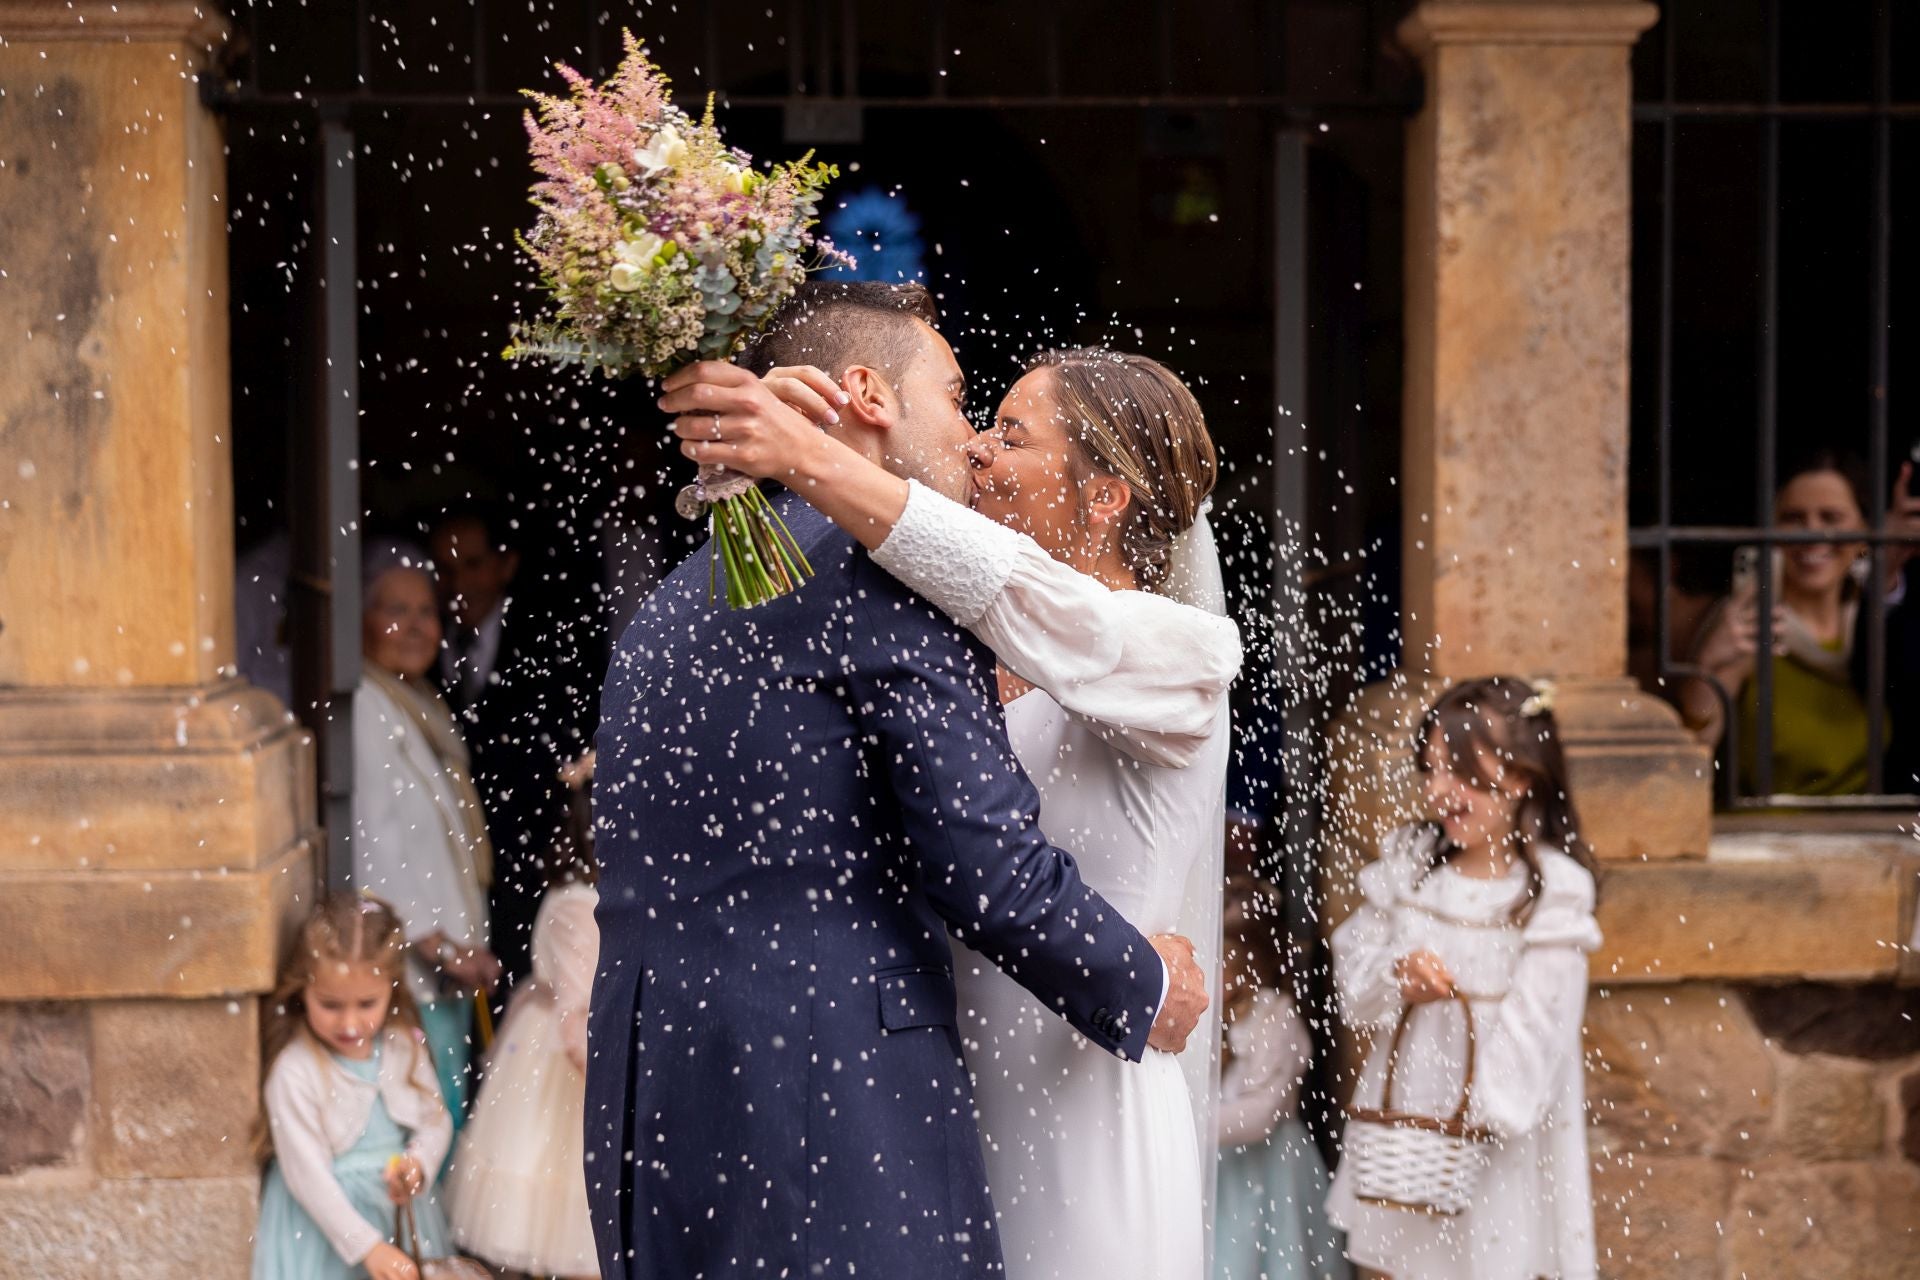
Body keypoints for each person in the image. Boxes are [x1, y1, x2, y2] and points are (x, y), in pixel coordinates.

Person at [591, 281, 1212, 1280]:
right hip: (832, 1115)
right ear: (871, 393)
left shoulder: (681, 593)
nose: (972, 441)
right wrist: (1142, 983)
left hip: (659, 1099)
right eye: (965, 399)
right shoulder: (879, 582)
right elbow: (990, 870)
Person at [1326, 677, 1602, 1280]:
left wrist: (1470, 1127)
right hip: (1407, 1135)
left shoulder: (1550, 894)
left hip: (1503, 1148)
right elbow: (1353, 984)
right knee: (1400, 1262)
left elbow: (1537, 1034)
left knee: (1490, 1261)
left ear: (1523, 777)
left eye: (1461, 773)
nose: (1438, 791)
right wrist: (1399, 976)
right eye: (1429, 770)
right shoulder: (1412, 865)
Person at [353, 542, 500, 1129]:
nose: (415, 626)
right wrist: (434, 942)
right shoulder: (365, 704)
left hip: (450, 964)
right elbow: (373, 842)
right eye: (396, 610)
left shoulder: (415, 701)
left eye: (425, 612)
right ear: (361, 620)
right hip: (420, 964)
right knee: (430, 1127)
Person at [1680, 452, 1918, 796]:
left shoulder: (1882, 620)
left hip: (1872, 832)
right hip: (1767, 838)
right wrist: (1707, 670)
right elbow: (1690, 755)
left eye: (1831, 517)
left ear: (1866, 533)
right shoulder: (1747, 624)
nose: (1812, 533)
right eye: (1794, 518)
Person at [429, 506, 597, 994]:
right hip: (455, 857)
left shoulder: (551, 642)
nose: (457, 583)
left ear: (505, 565)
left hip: (530, 856)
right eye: (445, 570)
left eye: (472, 565)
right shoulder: (426, 639)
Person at [444, 757, 599, 1278]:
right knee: (566, 1194)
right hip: (567, 1054)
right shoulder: (582, 906)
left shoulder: (576, 893)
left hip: (547, 1038)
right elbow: (577, 1013)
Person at [253, 893, 454, 1280]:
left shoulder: (402, 1046)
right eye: (330, 1005)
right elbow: (306, 1175)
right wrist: (366, 1246)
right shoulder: (296, 1071)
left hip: (398, 1214)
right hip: (324, 1231)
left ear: (391, 991)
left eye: (366, 1004)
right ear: (303, 991)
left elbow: (435, 1120)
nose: (349, 1024)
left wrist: (418, 1164)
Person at [1213, 874, 1347, 1280]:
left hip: (1268, 1164)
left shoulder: (1275, 1018)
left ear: (1252, 963)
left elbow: (1262, 1114)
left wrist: (1189, 1126)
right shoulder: (1207, 1016)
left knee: (1263, 1257)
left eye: (1224, 960)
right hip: (1220, 1163)